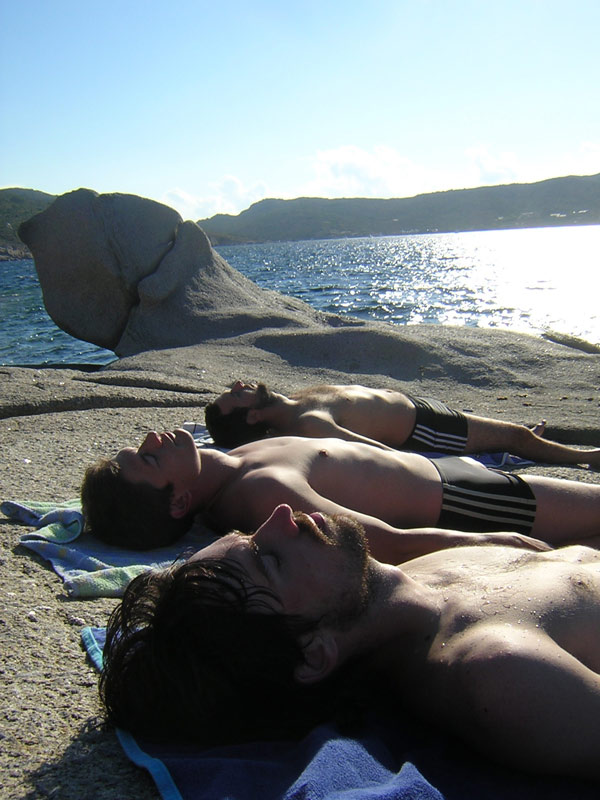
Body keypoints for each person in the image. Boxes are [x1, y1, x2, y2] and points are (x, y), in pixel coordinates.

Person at [100, 504, 600, 780]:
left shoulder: (409, 576)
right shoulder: (500, 674)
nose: (280, 515)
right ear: (314, 653)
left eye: (250, 533)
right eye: (268, 557)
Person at [81, 427, 600, 558]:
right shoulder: (260, 492)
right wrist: (489, 542)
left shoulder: (226, 459)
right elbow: (381, 540)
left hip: (445, 472)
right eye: (150, 459)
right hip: (467, 500)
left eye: (139, 446)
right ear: (177, 501)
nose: (153, 439)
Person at [204, 381, 600, 466]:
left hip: (423, 410)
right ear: (252, 416)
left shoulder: (297, 402)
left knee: (504, 434)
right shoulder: (309, 423)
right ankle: (585, 457)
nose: (238, 386)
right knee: (513, 436)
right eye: (235, 396)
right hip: (427, 430)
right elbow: (378, 452)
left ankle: (520, 444)